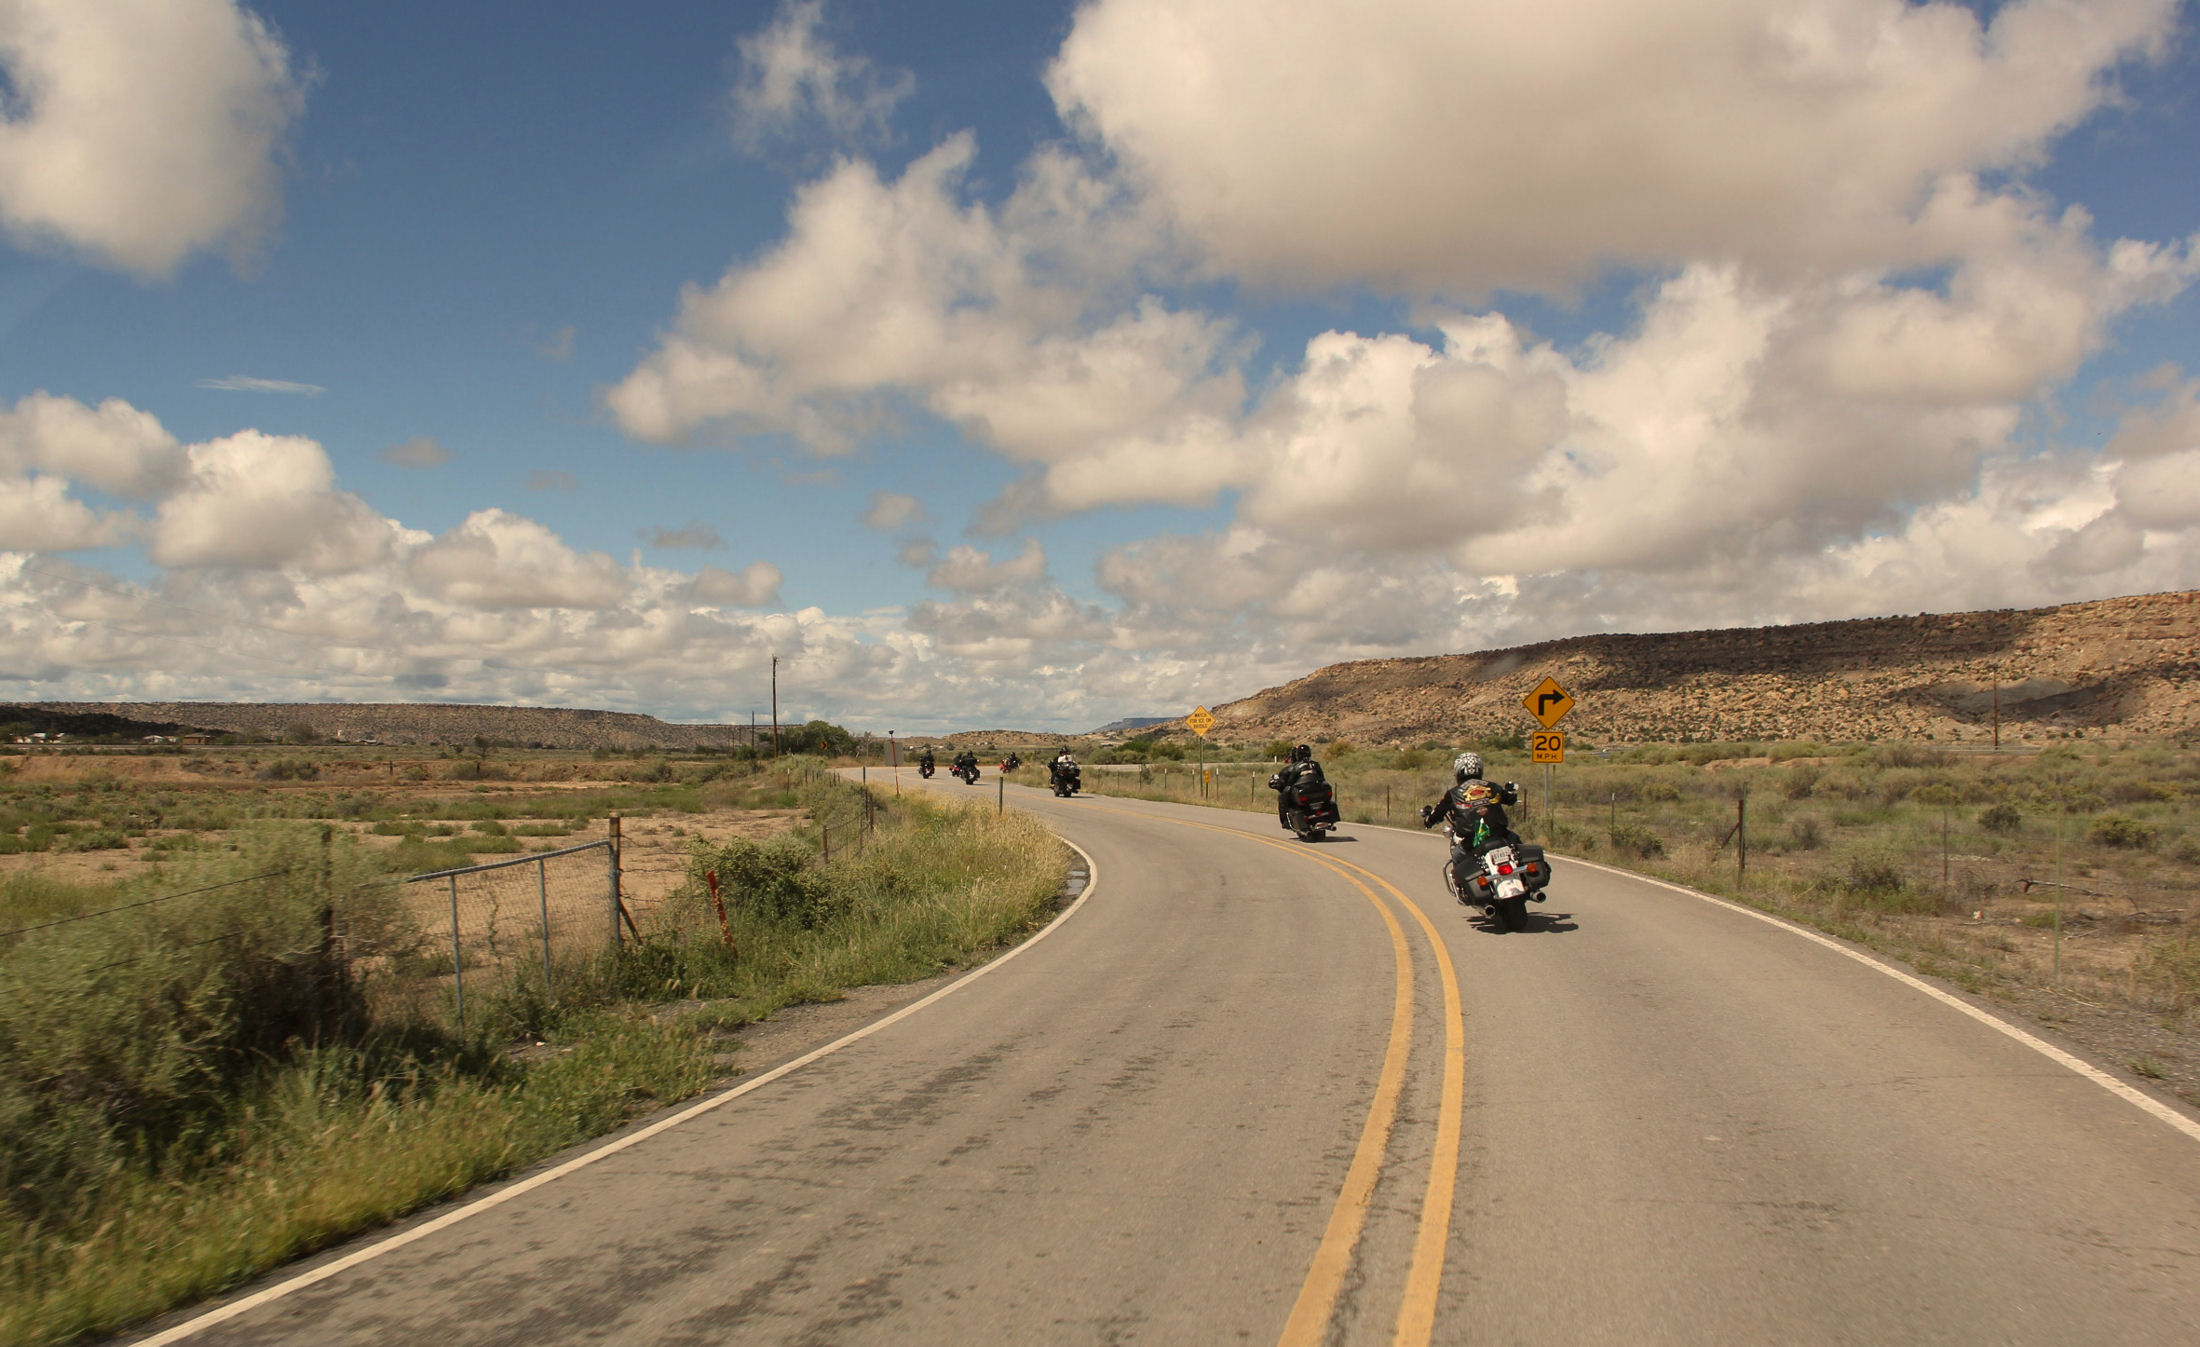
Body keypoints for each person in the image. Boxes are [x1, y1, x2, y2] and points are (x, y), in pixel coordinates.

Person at [1420, 752, 1521, 901]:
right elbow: (1510, 798)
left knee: (1457, 856)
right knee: (1517, 843)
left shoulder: (1452, 794)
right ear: (1480, 770)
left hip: (1473, 838)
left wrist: (1428, 821)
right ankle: (1523, 875)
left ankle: (1464, 891)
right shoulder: (1492, 787)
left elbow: (1437, 813)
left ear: (1458, 772)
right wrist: (1511, 793)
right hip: (1499, 834)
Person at [1268, 744, 1326, 828]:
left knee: (1283, 797)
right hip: (1318, 789)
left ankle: (1286, 821)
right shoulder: (1315, 764)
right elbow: (1322, 777)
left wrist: (1283, 785)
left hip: (1303, 791)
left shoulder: (1296, 766)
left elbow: (1290, 782)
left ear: (1297, 754)